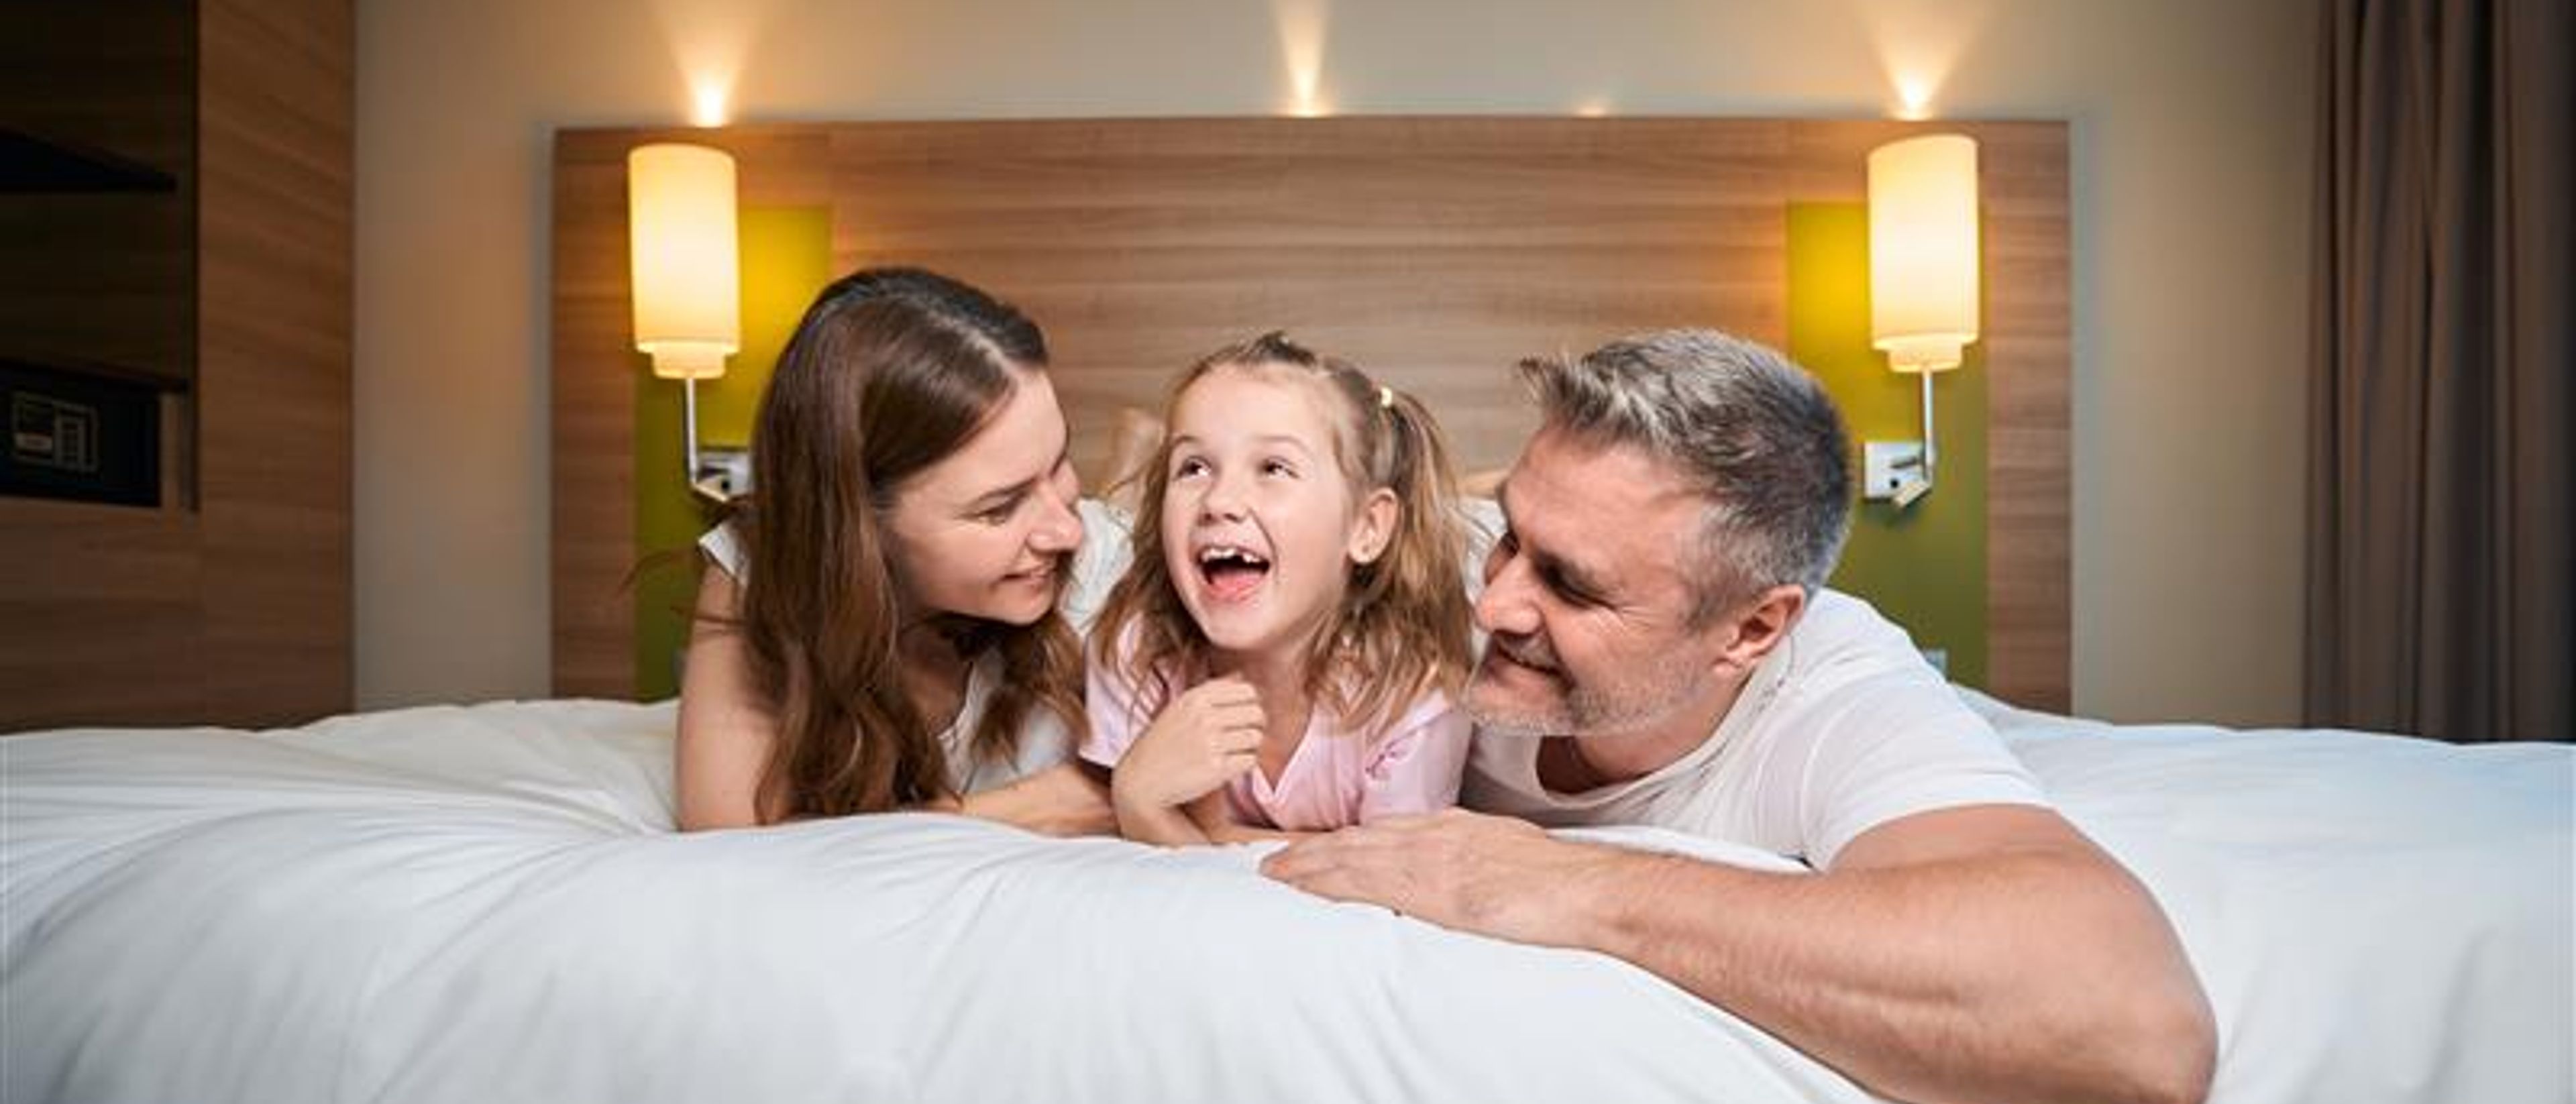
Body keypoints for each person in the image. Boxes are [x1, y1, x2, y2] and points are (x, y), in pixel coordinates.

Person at [1263, 330, 2217, 1104]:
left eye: (1571, 584)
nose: (1495, 601)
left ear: (1752, 628)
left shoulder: (1836, 695)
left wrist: (1579, 885)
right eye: (1511, 531)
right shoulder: (1431, 567)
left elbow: (2133, 1023)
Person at [674, 267, 1112, 835]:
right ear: (862, 524)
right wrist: (1024, 808)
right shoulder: (761, 567)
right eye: (999, 509)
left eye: (1059, 463)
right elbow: (724, 835)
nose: (1065, 531)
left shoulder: (1105, 560)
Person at [1082, 332, 1477, 844]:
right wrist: (1136, 793)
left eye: (1273, 468)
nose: (1219, 500)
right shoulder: (1134, 647)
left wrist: (1148, 809)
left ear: (1366, 527)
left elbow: (1387, 875)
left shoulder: (1412, 700)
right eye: (1193, 467)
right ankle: (1134, 468)